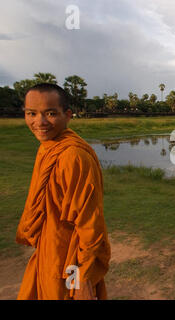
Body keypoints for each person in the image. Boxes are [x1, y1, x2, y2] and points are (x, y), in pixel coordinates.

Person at [16, 83, 111, 300]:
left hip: (68, 259)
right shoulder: (49, 146)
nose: (39, 122)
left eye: (50, 113)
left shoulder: (73, 156)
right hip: (48, 249)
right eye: (32, 113)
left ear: (67, 115)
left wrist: (82, 278)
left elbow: (89, 224)